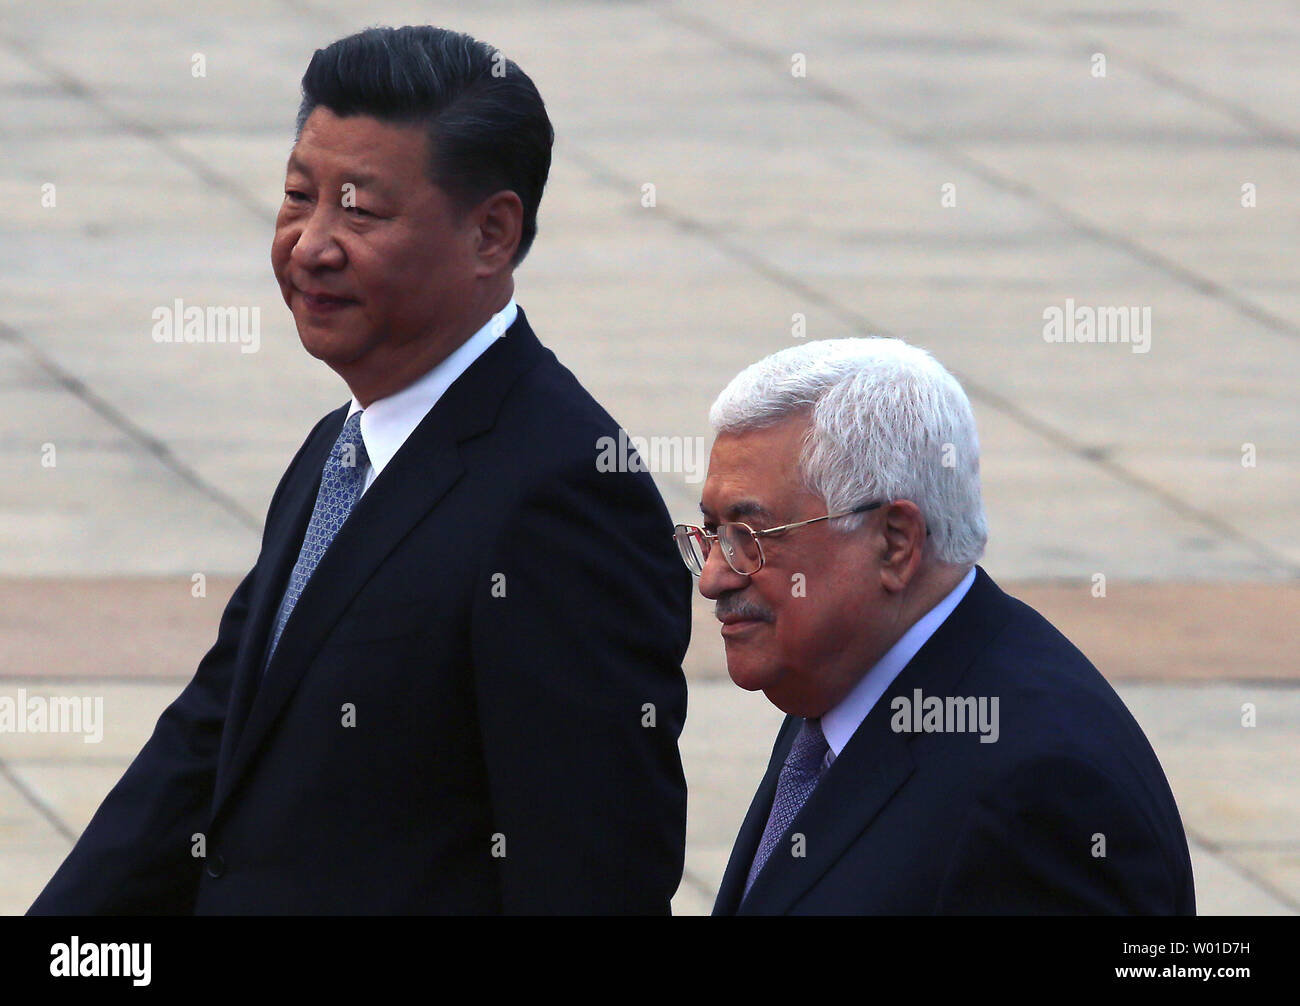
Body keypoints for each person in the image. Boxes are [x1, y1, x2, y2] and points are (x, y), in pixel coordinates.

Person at [29, 25, 690, 915]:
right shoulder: (340, 449)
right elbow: (208, 743)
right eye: (299, 196)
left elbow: (591, 869)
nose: (310, 245)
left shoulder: (567, 497)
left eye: (361, 211)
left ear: (492, 233)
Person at [677, 338, 1195, 914]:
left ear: (895, 543)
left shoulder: (1037, 791)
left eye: (750, 538)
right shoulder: (834, 680)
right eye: (711, 534)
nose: (714, 578)